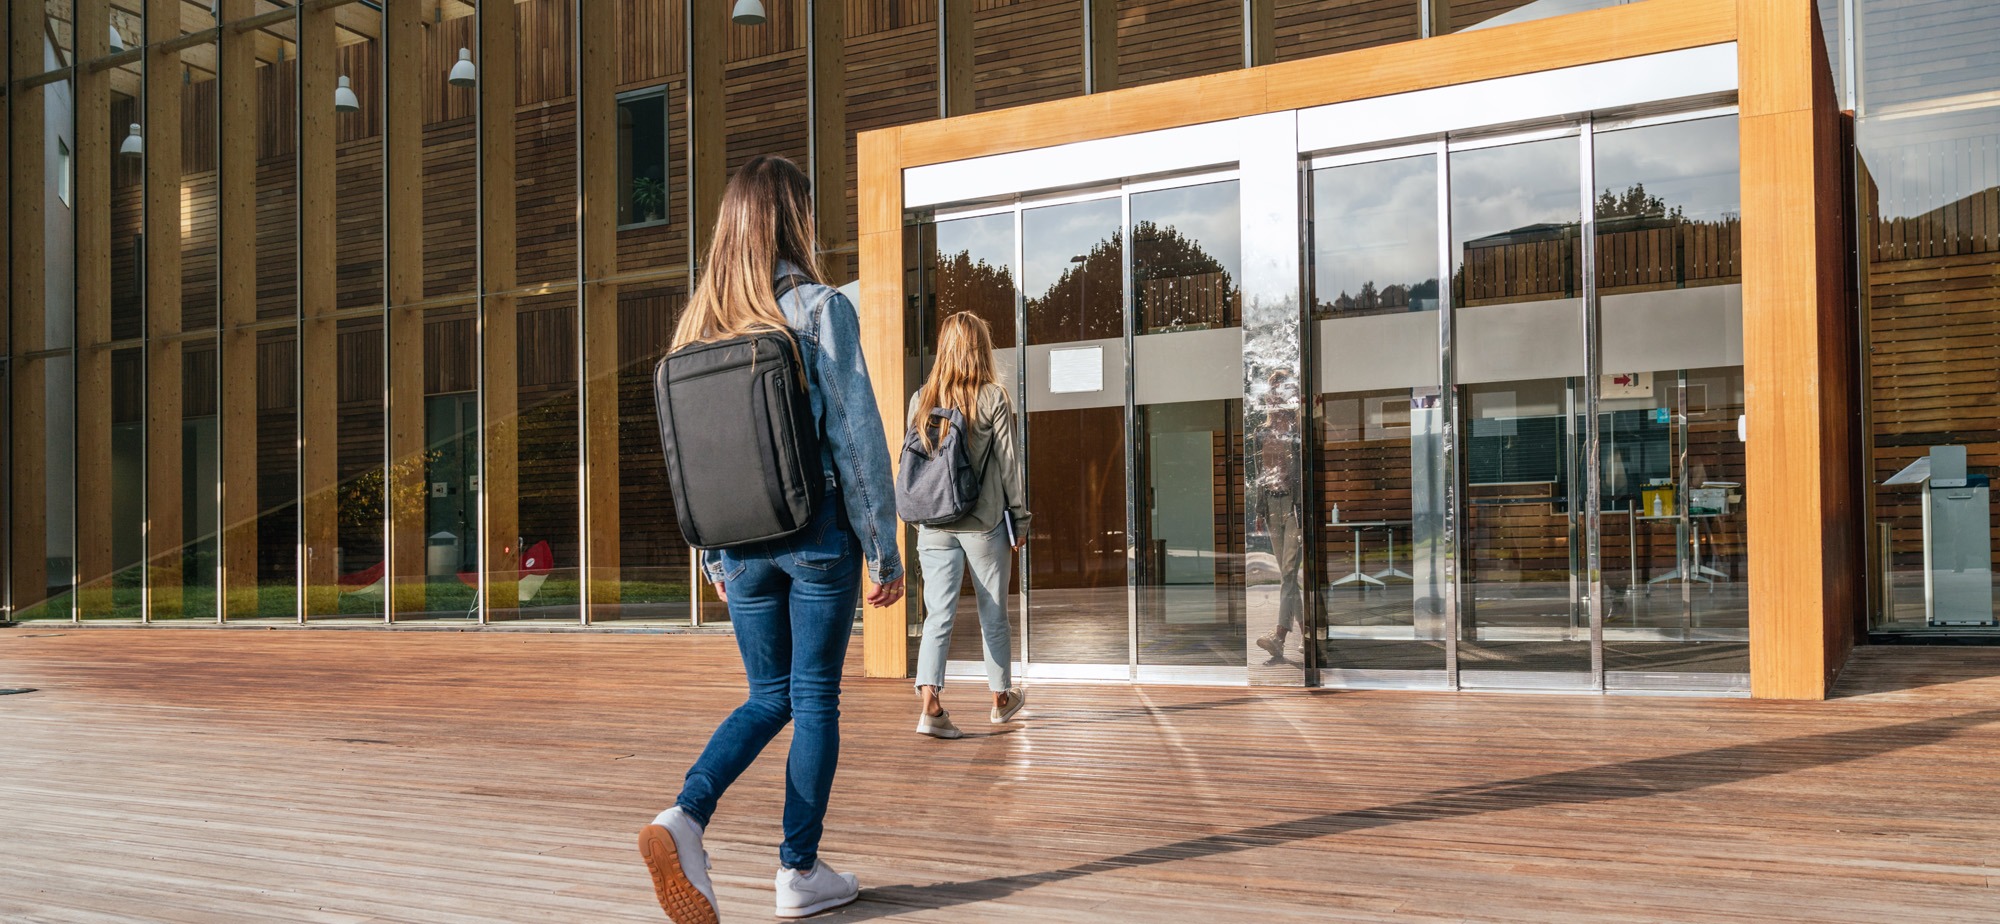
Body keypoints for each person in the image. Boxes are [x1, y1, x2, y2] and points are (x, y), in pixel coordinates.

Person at [637, 155, 904, 924]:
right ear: (795, 221)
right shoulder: (819, 309)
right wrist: (882, 548)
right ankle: (799, 872)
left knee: (767, 696)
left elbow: (690, 457)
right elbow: (855, 437)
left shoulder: (697, 328)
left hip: (739, 547)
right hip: (816, 534)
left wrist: (713, 557)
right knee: (814, 698)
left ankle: (683, 817)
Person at [906, 312, 1032, 739]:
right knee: (992, 614)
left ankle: (930, 708)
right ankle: (1000, 699)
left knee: (937, 615)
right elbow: (1010, 466)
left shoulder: (921, 398)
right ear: (980, 347)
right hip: (983, 525)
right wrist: (1020, 518)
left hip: (933, 525)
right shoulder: (993, 397)